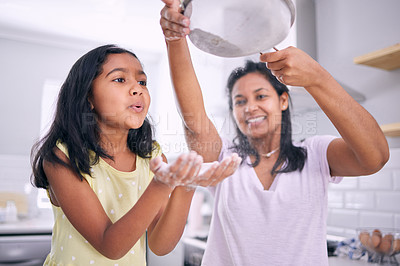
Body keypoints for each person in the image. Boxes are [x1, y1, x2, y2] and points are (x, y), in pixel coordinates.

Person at [159, 1, 390, 265]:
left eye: (260, 96)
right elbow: (194, 123)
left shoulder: (315, 154)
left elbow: (376, 157)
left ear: (282, 101)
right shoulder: (224, 158)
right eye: (240, 101)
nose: (250, 108)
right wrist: (174, 39)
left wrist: (317, 78)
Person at [31, 44, 241, 265]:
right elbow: (110, 245)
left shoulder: (151, 157)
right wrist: (161, 185)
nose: (137, 89)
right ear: (88, 97)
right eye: (120, 79)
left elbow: (160, 245)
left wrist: (186, 186)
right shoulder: (62, 158)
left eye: (142, 82)